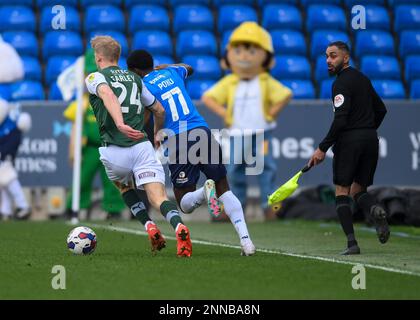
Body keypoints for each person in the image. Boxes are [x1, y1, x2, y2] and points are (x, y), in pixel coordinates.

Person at [126, 49, 256, 256]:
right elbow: (190, 68)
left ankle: (204, 192)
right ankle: (246, 242)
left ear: (134, 71)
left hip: (177, 138)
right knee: (225, 189)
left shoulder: (141, 85)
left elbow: (152, 114)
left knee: (185, 203)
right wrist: (167, 67)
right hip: (201, 130)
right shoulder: (172, 72)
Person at [85, 36, 192, 257]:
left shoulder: (95, 77)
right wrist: (157, 133)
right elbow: (159, 110)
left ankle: (149, 226)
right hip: (142, 147)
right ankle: (180, 227)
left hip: (114, 149)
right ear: (118, 57)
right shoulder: (135, 79)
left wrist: (120, 123)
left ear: (98, 57)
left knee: (124, 186)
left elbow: (106, 93)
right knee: (159, 197)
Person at [201, 22, 292, 221]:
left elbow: (285, 94)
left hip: (261, 133)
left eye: (251, 51)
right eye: (238, 50)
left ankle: (270, 207)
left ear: (266, 57)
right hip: (237, 133)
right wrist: (225, 114)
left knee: (266, 168)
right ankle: (235, 206)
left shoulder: (265, 81)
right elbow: (208, 97)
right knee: (234, 169)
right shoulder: (230, 82)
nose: (243, 56)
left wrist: (270, 114)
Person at [308, 41, 390, 255]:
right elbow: (381, 109)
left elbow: (341, 120)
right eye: (326, 56)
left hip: (350, 141)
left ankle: (352, 244)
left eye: (333, 56)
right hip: (371, 139)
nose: (328, 60)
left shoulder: (340, 83)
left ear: (345, 58)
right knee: (358, 190)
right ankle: (374, 208)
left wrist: (322, 148)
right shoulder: (362, 79)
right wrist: (366, 130)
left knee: (342, 191)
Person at [64, 49, 125, 220]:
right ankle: (73, 207)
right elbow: (76, 128)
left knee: (112, 180)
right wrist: (72, 150)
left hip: (110, 145)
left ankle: (114, 210)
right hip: (90, 148)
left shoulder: (112, 98)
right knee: (82, 179)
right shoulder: (83, 102)